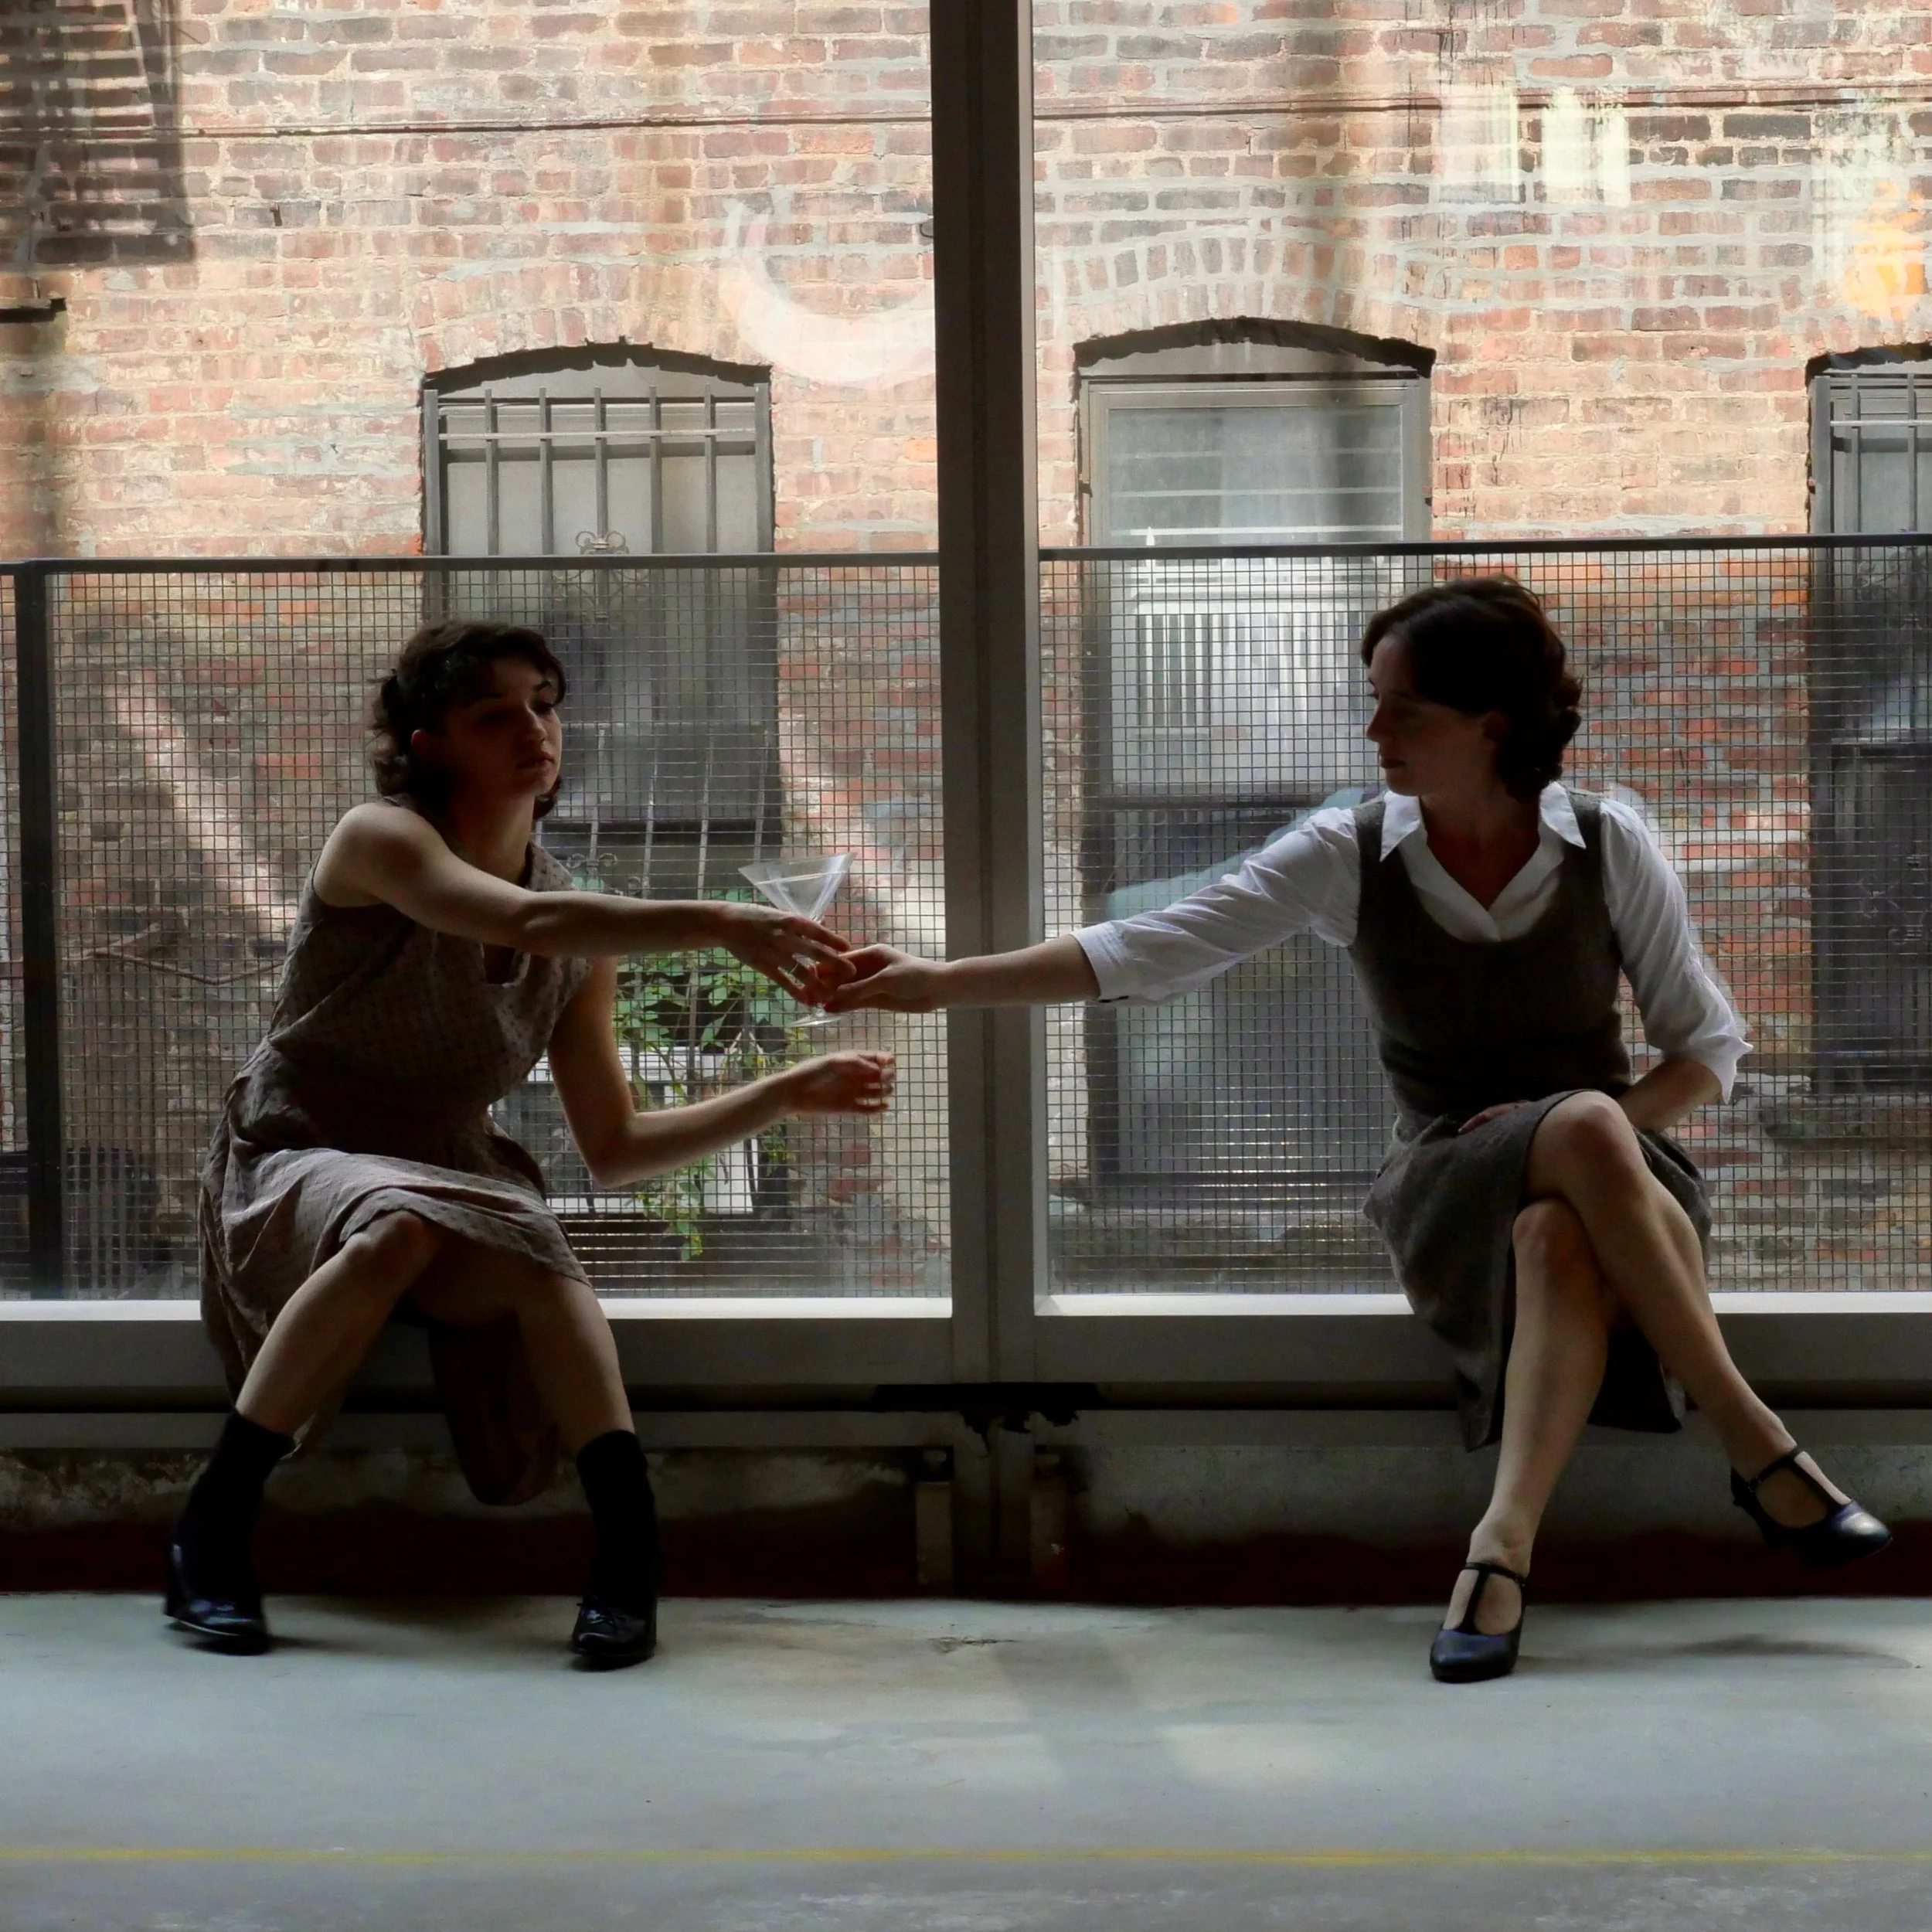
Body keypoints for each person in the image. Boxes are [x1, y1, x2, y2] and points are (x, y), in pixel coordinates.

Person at [821, 576, 1889, 1682]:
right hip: (1448, 1172)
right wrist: (939, 983)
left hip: (1621, 1189)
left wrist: (1588, 1132)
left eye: (1403, 710)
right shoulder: (1351, 850)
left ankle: (1499, 1551)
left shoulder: (1607, 843)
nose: (1374, 731)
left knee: (1560, 1218)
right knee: (1576, 1132)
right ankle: (1757, 1446)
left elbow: (1706, 1052)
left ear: (1492, 725)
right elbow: (1153, 947)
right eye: (1373, 702)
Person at [179, 617, 894, 1666]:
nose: (534, 729)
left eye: (545, 705)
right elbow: (521, 923)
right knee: (396, 1226)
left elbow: (616, 1147)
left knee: (538, 1262)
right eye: (494, 714)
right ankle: (209, 1532)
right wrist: (721, 922)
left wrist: (783, 1094)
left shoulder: (577, 929)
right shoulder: (380, 840)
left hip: (443, 1169)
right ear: (428, 745)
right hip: (299, 1148)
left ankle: (628, 1557)